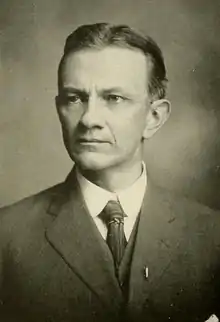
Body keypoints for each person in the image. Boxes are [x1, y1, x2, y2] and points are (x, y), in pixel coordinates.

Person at [0, 23, 220, 322]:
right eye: (74, 98)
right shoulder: (7, 236)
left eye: (114, 98)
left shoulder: (211, 236)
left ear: (154, 118)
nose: (89, 118)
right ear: (58, 109)